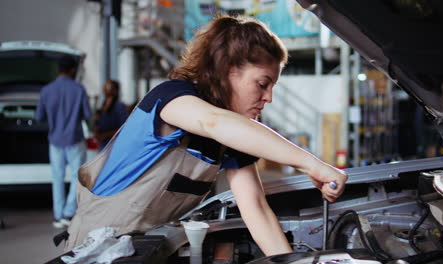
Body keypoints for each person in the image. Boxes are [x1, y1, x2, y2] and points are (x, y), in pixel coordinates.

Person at [64, 15, 348, 255]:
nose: (268, 97)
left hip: (147, 248)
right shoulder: (172, 98)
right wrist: (313, 164)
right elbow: (214, 122)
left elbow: (256, 208)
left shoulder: (233, 136)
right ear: (228, 71)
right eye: (262, 84)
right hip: (97, 248)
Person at [36, 55, 92, 228]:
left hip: (55, 140)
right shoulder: (79, 89)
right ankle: (68, 213)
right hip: (74, 139)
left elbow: (39, 117)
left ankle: (58, 215)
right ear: (73, 70)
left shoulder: (46, 90)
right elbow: (88, 115)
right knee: (77, 177)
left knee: (57, 177)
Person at [94, 80, 128, 151]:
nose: (105, 88)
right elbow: (97, 123)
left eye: (108, 86)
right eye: (104, 86)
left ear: (115, 90)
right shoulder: (101, 106)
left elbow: (123, 128)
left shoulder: (119, 107)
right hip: (102, 145)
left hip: (114, 145)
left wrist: (104, 135)